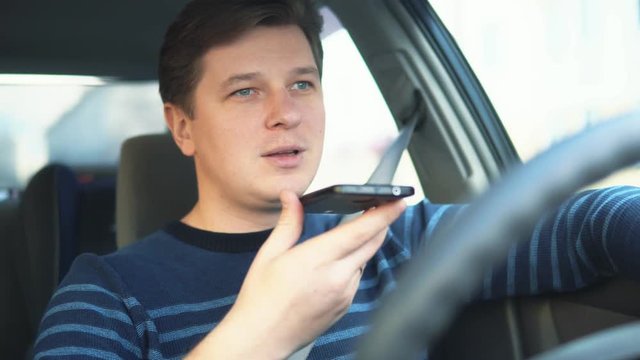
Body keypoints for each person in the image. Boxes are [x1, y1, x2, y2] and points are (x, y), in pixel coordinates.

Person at [33, 0, 640, 359]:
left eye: (301, 83)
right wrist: (261, 334)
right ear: (183, 126)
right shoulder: (104, 295)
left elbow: (580, 227)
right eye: (245, 91)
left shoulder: (384, 237)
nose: (285, 112)